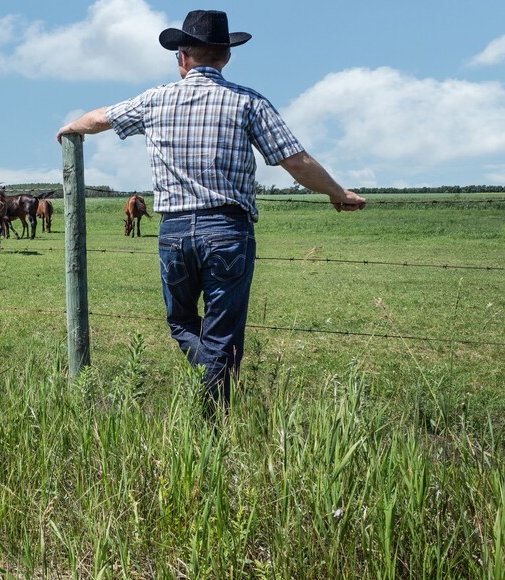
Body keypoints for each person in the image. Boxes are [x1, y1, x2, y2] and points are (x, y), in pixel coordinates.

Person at [56, 9, 366, 418]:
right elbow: (296, 161)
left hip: (174, 232)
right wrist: (337, 191)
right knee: (223, 335)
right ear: (226, 56)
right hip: (227, 230)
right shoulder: (248, 101)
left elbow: (99, 119)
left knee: (181, 320)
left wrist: (68, 129)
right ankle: (211, 419)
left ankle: (208, 409)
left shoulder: (155, 100)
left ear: (182, 57)